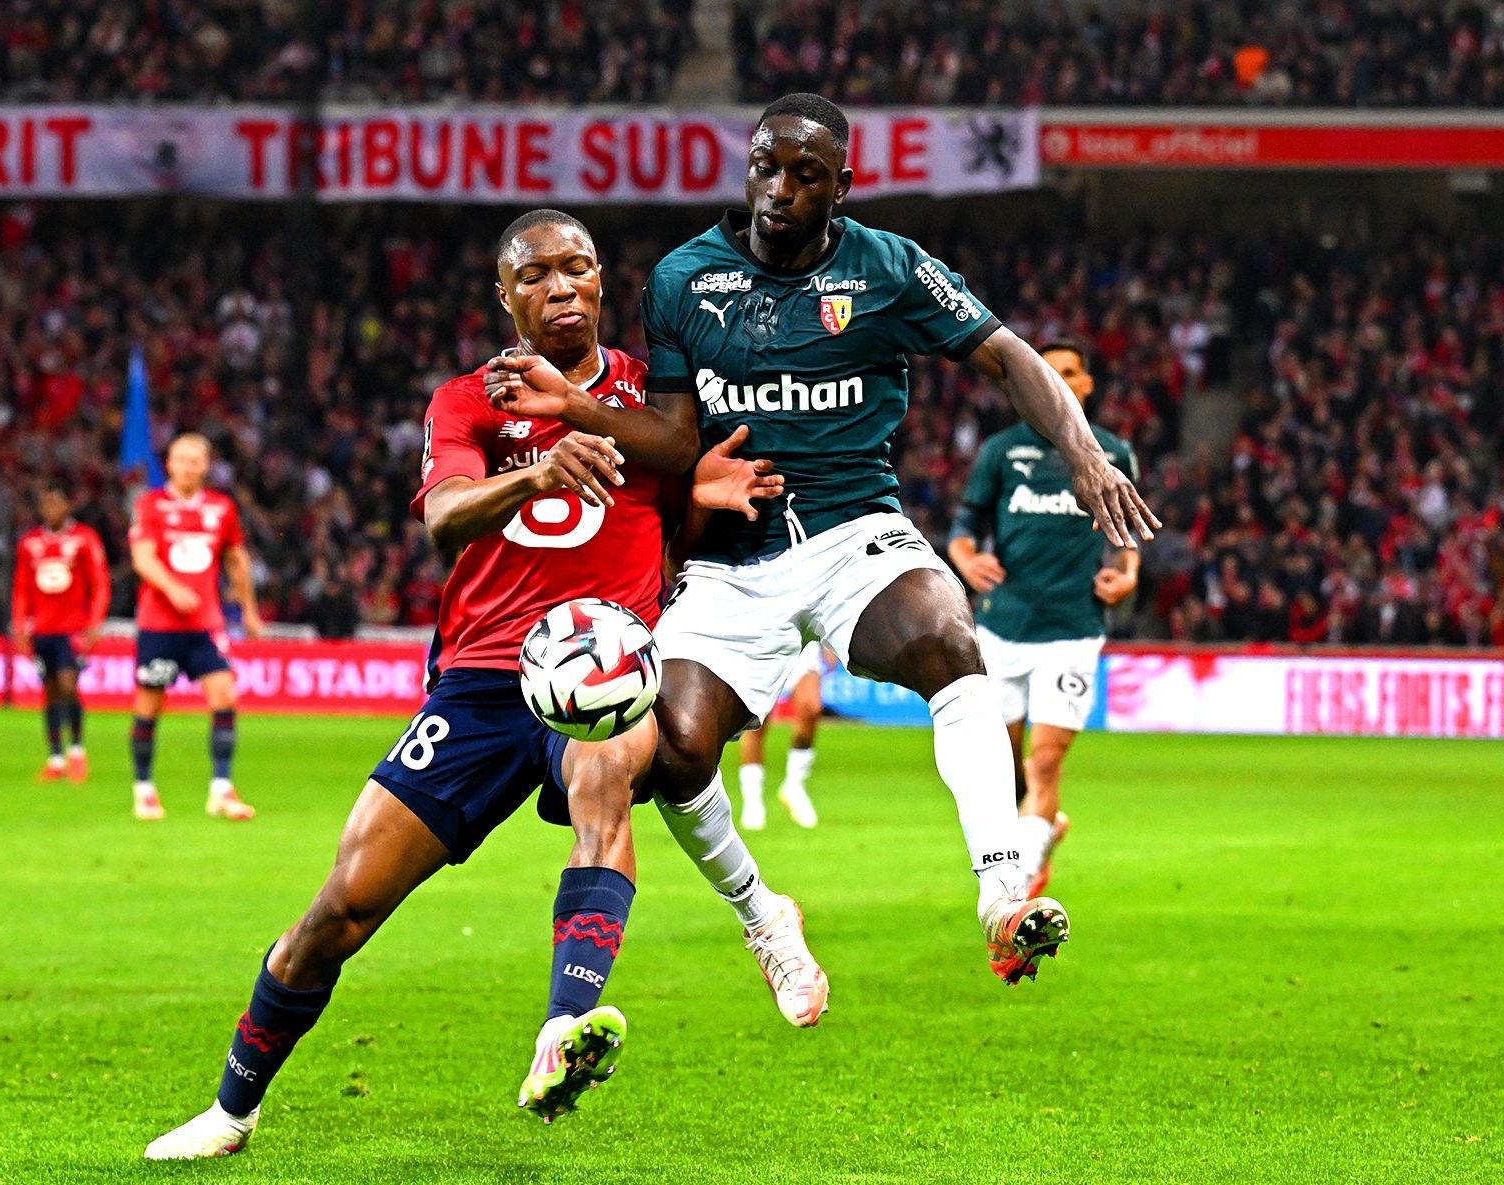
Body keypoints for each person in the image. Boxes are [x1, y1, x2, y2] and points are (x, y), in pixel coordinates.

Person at [143, 209, 783, 1159]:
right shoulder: (468, 401)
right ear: (505, 296)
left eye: (578, 267)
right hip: (480, 683)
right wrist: (536, 475)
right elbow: (444, 519)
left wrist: (698, 498)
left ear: (603, 280)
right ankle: (231, 1110)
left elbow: (682, 504)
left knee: (606, 775)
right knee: (341, 906)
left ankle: (564, 1027)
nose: (561, 287)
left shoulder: (653, 402)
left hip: (604, 666)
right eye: (536, 275)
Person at [494, 94, 1157, 989]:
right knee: (674, 748)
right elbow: (676, 437)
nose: (779, 190)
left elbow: (1009, 354)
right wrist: (583, 410)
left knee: (947, 638)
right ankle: (762, 914)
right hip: (731, 564)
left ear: (841, 186)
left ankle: (1003, 895)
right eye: (766, 168)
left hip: (856, 534)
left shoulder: (891, 267)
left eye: (805, 176)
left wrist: (1083, 452)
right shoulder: (683, 279)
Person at [948, 340, 1140, 898]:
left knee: (1046, 760)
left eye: (1070, 372)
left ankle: (1017, 889)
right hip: (1003, 625)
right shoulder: (1001, 452)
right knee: (1005, 766)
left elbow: (1126, 533)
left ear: (1087, 384)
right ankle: (1041, 830)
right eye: (1047, 372)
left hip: (1073, 629)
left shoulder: (1112, 453)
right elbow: (964, 526)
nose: (1059, 381)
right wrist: (966, 558)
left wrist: (1127, 573)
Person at [127, 434, 263, 822]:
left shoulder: (221, 508)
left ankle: (221, 789)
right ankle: (144, 790)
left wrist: (249, 610)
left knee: (225, 696)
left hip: (205, 623)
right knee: (149, 705)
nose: (189, 466)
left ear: (206, 466)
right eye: (181, 459)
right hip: (159, 623)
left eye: (196, 460)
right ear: (169, 464)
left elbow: (236, 560)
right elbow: (142, 558)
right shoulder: (150, 505)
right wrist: (172, 588)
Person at [11, 484, 110, 782]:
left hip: (73, 628)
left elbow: (99, 583)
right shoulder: (30, 542)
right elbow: (21, 588)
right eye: (46, 504)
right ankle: (55, 758)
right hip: (42, 629)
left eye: (56, 504)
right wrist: (20, 626)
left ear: (68, 506)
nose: (51, 510)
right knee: (50, 691)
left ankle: (77, 751)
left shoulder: (84, 538)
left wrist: (94, 623)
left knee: (69, 685)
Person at [729, 642, 829, 830]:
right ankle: (752, 800)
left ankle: (794, 786)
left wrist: (829, 646)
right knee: (756, 723)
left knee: (812, 707)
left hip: (803, 643)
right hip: (763, 646)